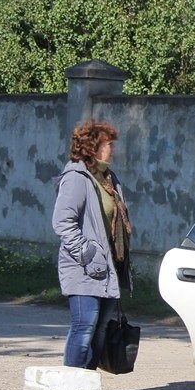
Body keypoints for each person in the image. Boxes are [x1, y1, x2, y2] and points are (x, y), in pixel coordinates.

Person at [52, 120, 132, 369]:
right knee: (84, 326)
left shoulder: (108, 178)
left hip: (109, 266)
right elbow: (63, 222)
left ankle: (85, 387)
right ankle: (69, 387)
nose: (112, 149)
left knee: (99, 330)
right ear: (92, 147)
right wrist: (87, 253)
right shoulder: (76, 177)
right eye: (108, 144)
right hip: (82, 266)